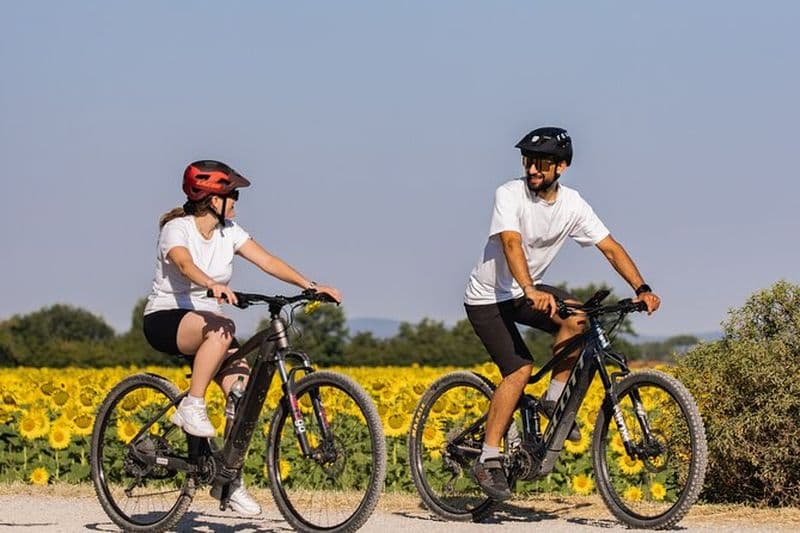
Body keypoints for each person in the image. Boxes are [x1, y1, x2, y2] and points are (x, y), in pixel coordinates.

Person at [463, 127, 660, 501]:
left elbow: (611, 247)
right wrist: (529, 289)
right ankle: (487, 459)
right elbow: (511, 243)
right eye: (528, 161)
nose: (533, 169)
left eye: (542, 163)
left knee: (580, 319)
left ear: (562, 167)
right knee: (519, 369)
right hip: (488, 297)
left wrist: (642, 288)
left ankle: (553, 403)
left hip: (526, 290)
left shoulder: (573, 205)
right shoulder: (509, 194)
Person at [143, 160, 341, 515]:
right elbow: (184, 264)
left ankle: (228, 480)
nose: (236, 200)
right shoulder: (177, 228)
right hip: (167, 317)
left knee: (242, 392)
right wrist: (211, 284)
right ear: (210, 198)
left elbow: (268, 261)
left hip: (209, 327)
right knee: (224, 328)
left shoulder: (229, 231)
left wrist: (310, 286)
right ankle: (193, 404)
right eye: (231, 193)